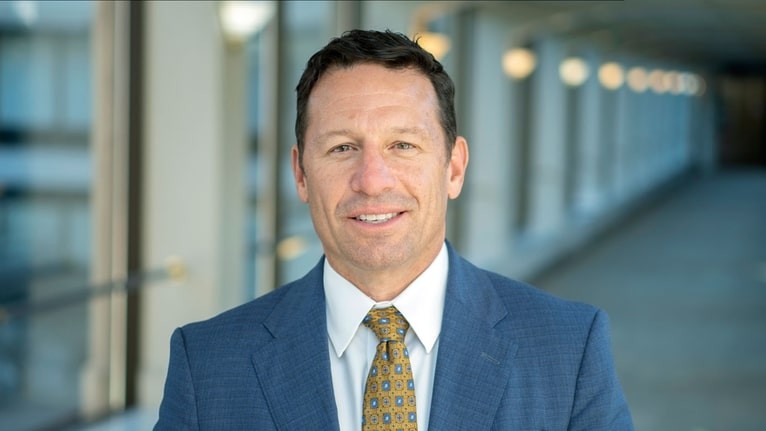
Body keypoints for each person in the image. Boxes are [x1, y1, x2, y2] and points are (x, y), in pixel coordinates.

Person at [155, 29, 633, 430]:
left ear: (454, 167)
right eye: (342, 148)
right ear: (301, 174)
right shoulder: (209, 364)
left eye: (402, 145)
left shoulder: (568, 349)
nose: (372, 180)